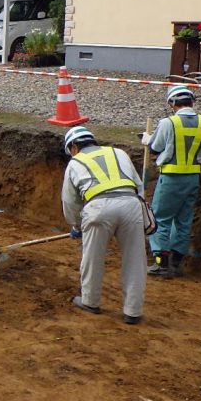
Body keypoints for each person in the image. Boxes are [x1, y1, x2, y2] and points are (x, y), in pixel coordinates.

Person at [61, 126, 146, 325]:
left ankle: (90, 301)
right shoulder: (119, 152)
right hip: (131, 205)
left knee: (93, 258)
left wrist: (76, 225)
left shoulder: (75, 162)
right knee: (135, 260)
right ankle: (133, 311)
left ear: (74, 146)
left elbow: (69, 201)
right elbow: (138, 186)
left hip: (98, 208)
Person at [142, 85, 201, 278]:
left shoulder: (168, 123)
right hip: (193, 178)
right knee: (183, 221)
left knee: (160, 219)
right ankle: (176, 264)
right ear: (192, 101)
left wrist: (147, 139)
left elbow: (155, 147)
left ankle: (162, 264)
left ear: (172, 103)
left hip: (171, 177)